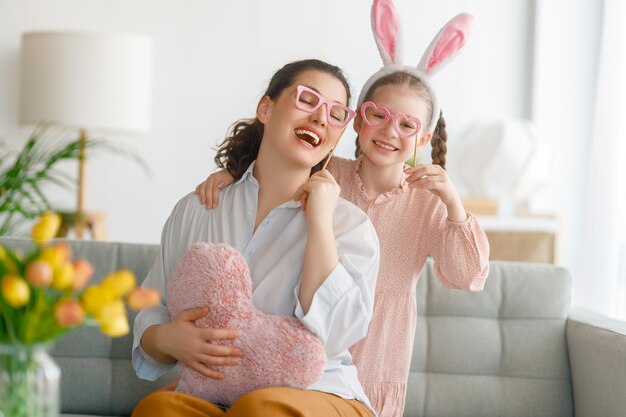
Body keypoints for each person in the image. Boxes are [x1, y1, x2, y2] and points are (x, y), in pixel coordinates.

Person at [195, 6, 489, 417]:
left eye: (407, 125)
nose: (390, 131)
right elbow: (273, 168)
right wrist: (232, 174)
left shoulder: (427, 203)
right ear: (355, 121)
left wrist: (455, 206)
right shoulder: (324, 170)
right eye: (378, 115)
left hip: (375, 364)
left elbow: (467, 277)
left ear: (423, 136)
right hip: (296, 353)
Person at [131, 59, 380, 417]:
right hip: (220, 396)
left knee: (259, 409)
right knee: (156, 408)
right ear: (266, 108)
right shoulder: (197, 209)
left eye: (337, 114)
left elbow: (337, 334)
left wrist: (320, 222)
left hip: (323, 394)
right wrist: (165, 338)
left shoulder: (350, 225)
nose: (321, 118)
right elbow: (153, 304)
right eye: (308, 100)